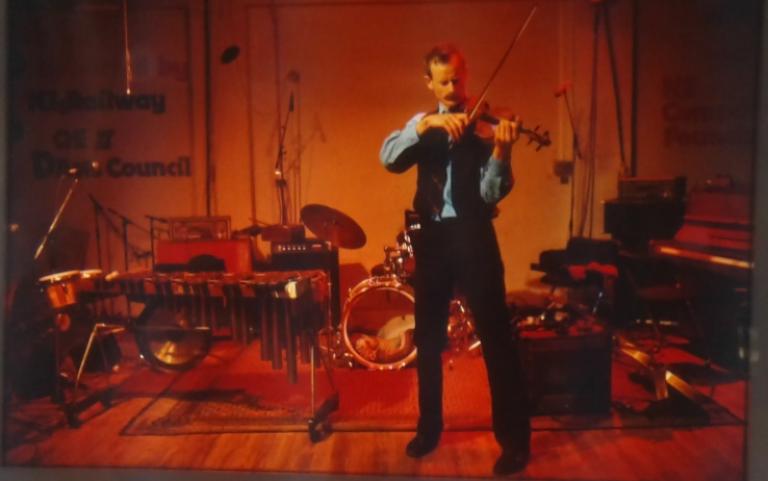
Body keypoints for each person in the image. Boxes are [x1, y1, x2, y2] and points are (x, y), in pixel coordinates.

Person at [379, 44, 531, 476]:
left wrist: (502, 153)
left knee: (496, 338)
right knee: (427, 340)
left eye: (458, 79)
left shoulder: (485, 130)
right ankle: (429, 429)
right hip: (431, 239)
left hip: (473, 236)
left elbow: (491, 194)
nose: (452, 88)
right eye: (443, 81)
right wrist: (426, 123)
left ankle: (515, 442)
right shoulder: (421, 128)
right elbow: (388, 157)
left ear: (466, 77)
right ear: (430, 82)